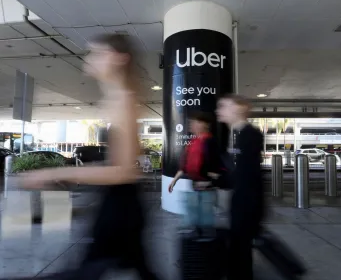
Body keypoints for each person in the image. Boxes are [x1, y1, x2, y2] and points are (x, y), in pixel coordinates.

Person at [13, 34, 160, 279]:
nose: (89, 58)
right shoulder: (117, 98)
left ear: (119, 59)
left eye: (98, 53)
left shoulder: (123, 100)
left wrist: (57, 171)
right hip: (122, 204)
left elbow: (124, 170)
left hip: (120, 206)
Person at [216, 94, 264, 280]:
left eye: (224, 106)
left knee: (240, 251)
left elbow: (248, 175)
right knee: (238, 250)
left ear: (239, 109)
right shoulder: (234, 134)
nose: (219, 110)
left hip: (247, 204)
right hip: (239, 201)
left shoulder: (250, 134)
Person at [169, 111, 220, 231]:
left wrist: (210, 181)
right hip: (195, 188)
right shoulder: (193, 143)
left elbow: (217, 167)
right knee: (194, 222)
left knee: (206, 222)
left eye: (196, 123)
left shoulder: (210, 142)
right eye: (192, 123)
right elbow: (185, 165)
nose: (192, 125)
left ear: (204, 125)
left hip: (207, 190)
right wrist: (174, 181)